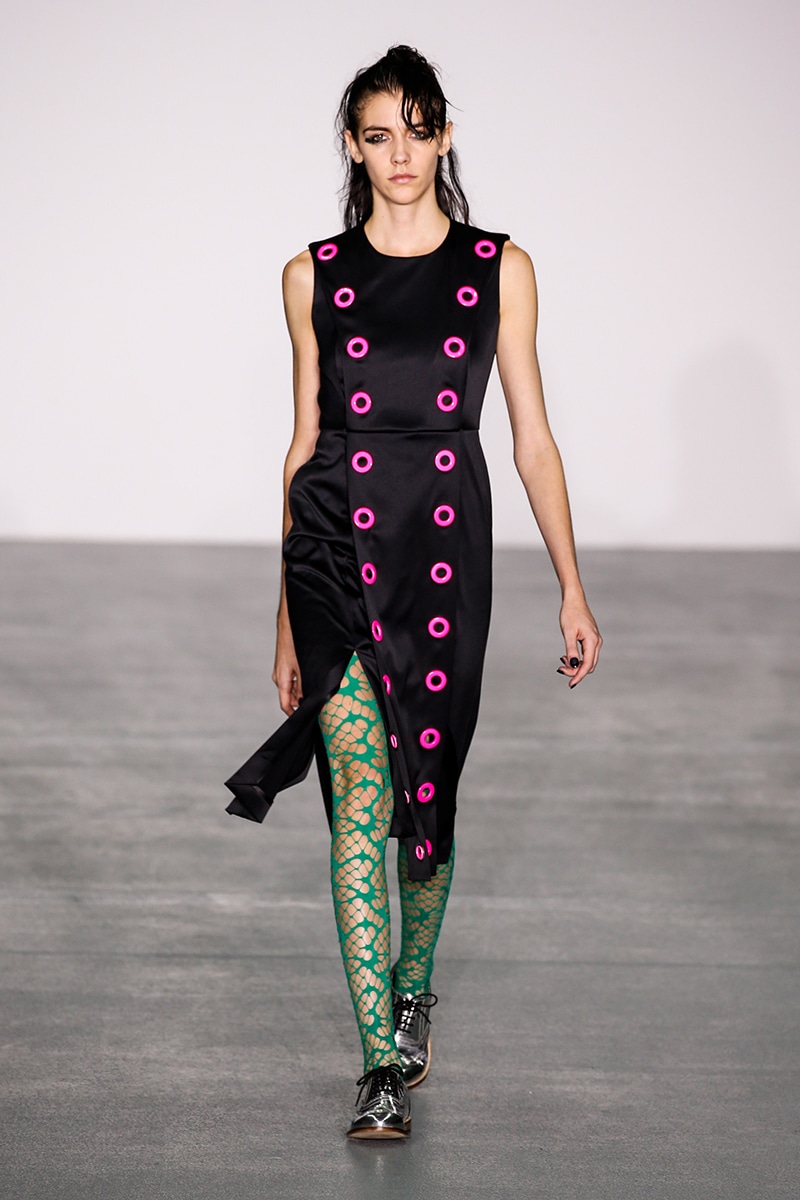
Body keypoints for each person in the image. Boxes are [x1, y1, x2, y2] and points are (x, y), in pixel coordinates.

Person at [225, 44, 602, 1139]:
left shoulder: (498, 268)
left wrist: (572, 588)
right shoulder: (310, 276)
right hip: (333, 550)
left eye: (418, 129)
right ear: (353, 145)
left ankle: (413, 983)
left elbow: (531, 438)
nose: (400, 152)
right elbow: (302, 442)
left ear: (443, 137)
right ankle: (379, 1064)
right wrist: (283, 613)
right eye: (378, 133)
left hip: (443, 552)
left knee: (424, 799)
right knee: (356, 794)